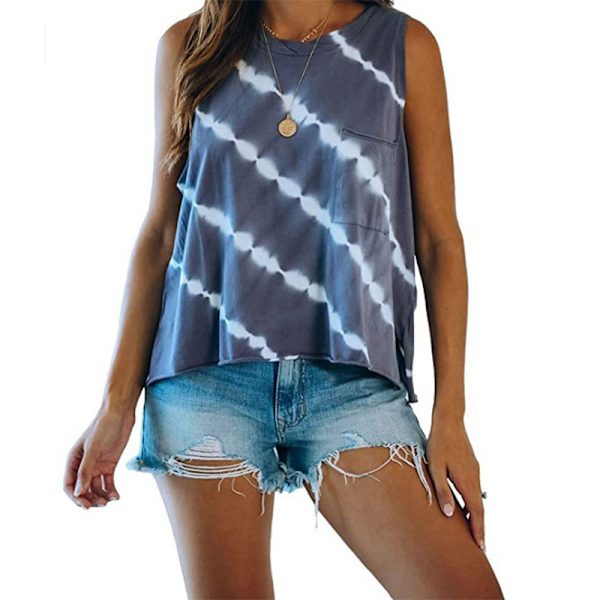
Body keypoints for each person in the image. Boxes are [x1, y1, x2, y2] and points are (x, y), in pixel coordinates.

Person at [63, 1, 504, 597]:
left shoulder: (404, 47)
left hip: (352, 383)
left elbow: (439, 240)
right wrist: (116, 403)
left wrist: (451, 413)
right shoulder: (190, 45)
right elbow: (161, 234)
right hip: (204, 380)